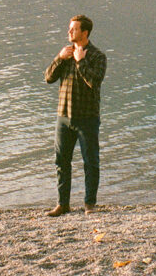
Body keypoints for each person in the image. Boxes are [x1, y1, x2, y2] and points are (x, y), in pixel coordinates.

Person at [44, 14, 107, 216]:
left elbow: (94, 82)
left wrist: (80, 62)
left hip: (87, 118)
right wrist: (58, 58)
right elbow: (48, 78)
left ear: (84, 32)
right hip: (63, 117)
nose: (69, 32)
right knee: (61, 162)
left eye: (74, 29)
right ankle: (63, 204)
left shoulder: (97, 56)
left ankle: (90, 204)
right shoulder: (66, 53)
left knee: (90, 162)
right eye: (69, 28)